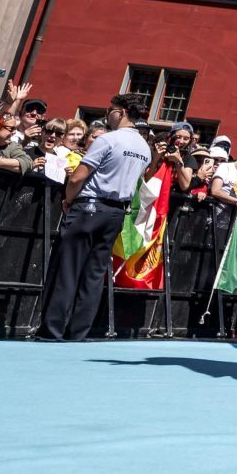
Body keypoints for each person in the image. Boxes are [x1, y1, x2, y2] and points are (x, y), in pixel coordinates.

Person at [38, 93, 154, 341]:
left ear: (121, 112)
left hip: (90, 206)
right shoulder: (144, 148)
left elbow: (78, 176)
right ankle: (78, 331)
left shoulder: (108, 140)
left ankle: (52, 330)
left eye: (111, 110)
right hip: (116, 212)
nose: (108, 114)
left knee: (68, 268)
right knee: (94, 272)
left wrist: (68, 200)